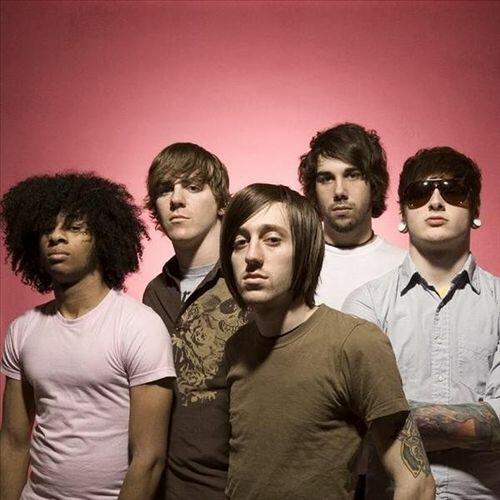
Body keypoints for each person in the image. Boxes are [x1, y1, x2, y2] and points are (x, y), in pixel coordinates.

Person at [220, 183, 435, 500]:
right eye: (240, 242)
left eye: (272, 240)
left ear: (305, 251)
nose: (251, 255)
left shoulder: (354, 342)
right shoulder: (236, 347)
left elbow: (416, 484)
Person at [0, 173, 175, 500]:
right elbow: (13, 441)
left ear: (102, 238)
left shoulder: (139, 326)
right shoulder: (23, 329)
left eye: (74, 227)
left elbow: (149, 459)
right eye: (47, 229)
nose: (56, 237)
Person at [343, 146, 500, 499]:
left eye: (453, 191)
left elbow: (377, 418)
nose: (436, 202)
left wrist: (392, 419)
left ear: (475, 210)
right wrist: (479, 421)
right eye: (419, 193)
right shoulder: (366, 303)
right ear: (402, 214)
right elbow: (356, 417)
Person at [143, 142, 247, 499]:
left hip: (235, 486)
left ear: (221, 202)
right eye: (164, 190)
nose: (176, 199)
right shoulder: (155, 293)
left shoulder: (249, 280)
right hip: (166, 485)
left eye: (192, 186)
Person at [298, 122, 405, 309]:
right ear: (314, 188)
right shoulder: (294, 265)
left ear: (374, 184)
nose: (339, 191)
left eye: (352, 175)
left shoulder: (404, 267)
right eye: (326, 178)